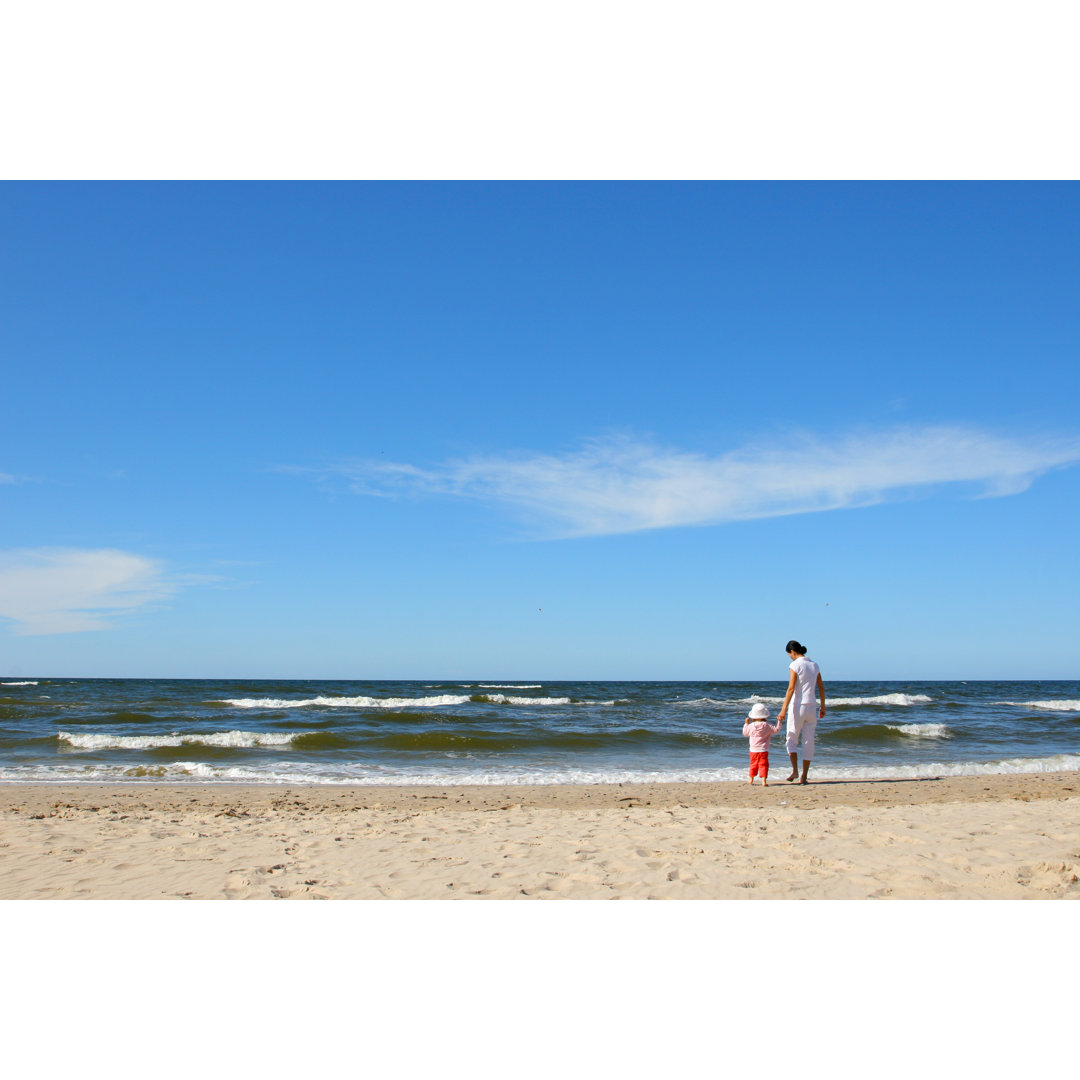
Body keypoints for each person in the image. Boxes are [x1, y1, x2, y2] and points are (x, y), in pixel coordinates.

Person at [776, 640, 826, 784]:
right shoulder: (814, 664)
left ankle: (795, 771)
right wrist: (823, 706)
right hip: (811, 706)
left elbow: (791, 688)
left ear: (792, 652)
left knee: (791, 739)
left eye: (789, 654)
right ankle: (804, 776)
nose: (790, 657)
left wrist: (783, 709)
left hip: (797, 706)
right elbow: (821, 687)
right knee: (808, 741)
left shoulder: (795, 665)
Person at [742, 702, 782, 786]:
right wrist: (779, 721)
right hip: (764, 749)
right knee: (763, 764)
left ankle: (751, 779)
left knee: (753, 764)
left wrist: (746, 724)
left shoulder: (751, 726)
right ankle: (764, 780)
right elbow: (776, 730)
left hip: (753, 750)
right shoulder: (767, 725)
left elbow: (745, 733)